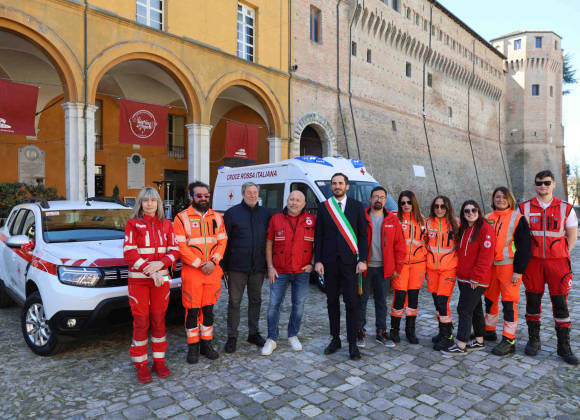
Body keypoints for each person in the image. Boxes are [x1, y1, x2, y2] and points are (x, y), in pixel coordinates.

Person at [519, 170, 578, 365]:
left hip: (558, 263)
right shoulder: (524, 208)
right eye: (539, 183)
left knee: (560, 304)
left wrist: (559, 252)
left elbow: (571, 236)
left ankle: (564, 346)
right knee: (532, 302)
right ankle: (534, 340)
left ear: (553, 184)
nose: (542, 186)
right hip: (533, 263)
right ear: (534, 185)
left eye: (546, 183)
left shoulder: (566, 208)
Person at [123, 187, 180, 383]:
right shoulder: (132, 224)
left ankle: (159, 361)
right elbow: (129, 253)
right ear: (140, 203)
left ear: (158, 203)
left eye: (153, 200)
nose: (149, 204)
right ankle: (141, 364)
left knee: (158, 320)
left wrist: (163, 263)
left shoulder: (167, 224)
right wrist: (150, 269)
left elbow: (175, 250)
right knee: (141, 322)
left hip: (160, 281)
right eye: (145, 200)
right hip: (139, 281)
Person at [314, 173, 368, 360]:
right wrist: (318, 260)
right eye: (334, 183)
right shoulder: (324, 207)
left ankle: (353, 344)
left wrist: (363, 260)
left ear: (347, 186)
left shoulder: (356, 206)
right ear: (331, 186)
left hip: (351, 265)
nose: (337, 186)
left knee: (352, 303)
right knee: (332, 303)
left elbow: (363, 235)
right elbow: (318, 236)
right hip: (329, 264)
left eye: (340, 183)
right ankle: (335, 339)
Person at [174, 181, 227, 364]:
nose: (203, 198)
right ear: (191, 197)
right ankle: (193, 347)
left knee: (209, 310)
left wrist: (213, 262)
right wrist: (199, 264)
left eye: (206, 196)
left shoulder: (217, 217)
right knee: (192, 311)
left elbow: (222, 242)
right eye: (199, 195)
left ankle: (206, 344)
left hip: (212, 271)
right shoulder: (181, 218)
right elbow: (181, 246)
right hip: (193, 273)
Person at [261, 190, 315, 356]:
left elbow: (318, 243)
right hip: (279, 271)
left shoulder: (312, 220)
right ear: (287, 200)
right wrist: (270, 267)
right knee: (273, 305)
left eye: (298, 200)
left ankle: (292, 334)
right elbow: (269, 243)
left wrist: (312, 263)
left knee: (298, 305)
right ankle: (272, 339)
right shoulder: (276, 218)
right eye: (291, 199)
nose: (294, 203)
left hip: (301, 271)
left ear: (304, 204)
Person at [441, 200, 495, 355]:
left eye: (473, 210)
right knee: (476, 309)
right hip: (464, 278)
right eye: (467, 211)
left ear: (478, 211)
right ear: (463, 214)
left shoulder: (485, 229)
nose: (470, 213)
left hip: (476, 280)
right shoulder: (465, 228)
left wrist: (476, 277)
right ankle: (479, 340)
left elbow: (486, 257)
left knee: (463, 309)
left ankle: (461, 344)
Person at [223, 182, 271, 353]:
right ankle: (232, 336)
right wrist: (224, 267)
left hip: (258, 267)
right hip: (236, 267)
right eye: (249, 192)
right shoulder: (232, 214)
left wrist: (268, 266)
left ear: (259, 194)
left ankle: (253, 333)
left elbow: (269, 241)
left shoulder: (266, 214)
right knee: (234, 302)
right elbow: (224, 242)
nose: (252, 195)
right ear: (242, 194)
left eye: (255, 192)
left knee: (256, 301)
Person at [484, 187, 531, 355]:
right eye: (497, 197)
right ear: (493, 199)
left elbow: (524, 248)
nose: (500, 199)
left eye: (504, 197)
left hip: (509, 267)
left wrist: (518, 271)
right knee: (489, 300)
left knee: (509, 303)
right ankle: (489, 331)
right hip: (490, 268)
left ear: (509, 199)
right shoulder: (486, 218)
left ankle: (509, 339)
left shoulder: (518, 219)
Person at [356, 186, 405, 349]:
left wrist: (398, 267)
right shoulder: (361, 217)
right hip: (364, 268)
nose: (379, 199)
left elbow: (400, 246)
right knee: (361, 301)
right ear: (370, 199)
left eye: (382, 197)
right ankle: (359, 331)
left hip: (384, 268)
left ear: (385, 200)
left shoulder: (392, 219)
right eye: (376, 196)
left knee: (381, 302)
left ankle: (381, 332)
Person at [425, 196, 459, 350]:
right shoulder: (428, 223)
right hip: (431, 270)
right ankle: (443, 330)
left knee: (442, 302)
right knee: (436, 302)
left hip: (448, 269)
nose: (439, 209)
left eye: (443, 207)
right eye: (436, 206)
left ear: (448, 208)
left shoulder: (456, 224)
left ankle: (448, 337)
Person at [393, 190, 426, 344]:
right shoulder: (394, 219)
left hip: (418, 266)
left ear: (414, 203)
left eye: (409, 202)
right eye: (403, 203)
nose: (406, 205)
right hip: (401, 266)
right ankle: (394, 330)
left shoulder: (423, 222)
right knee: (399, 297)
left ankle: (410, 331)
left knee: (413, 299)